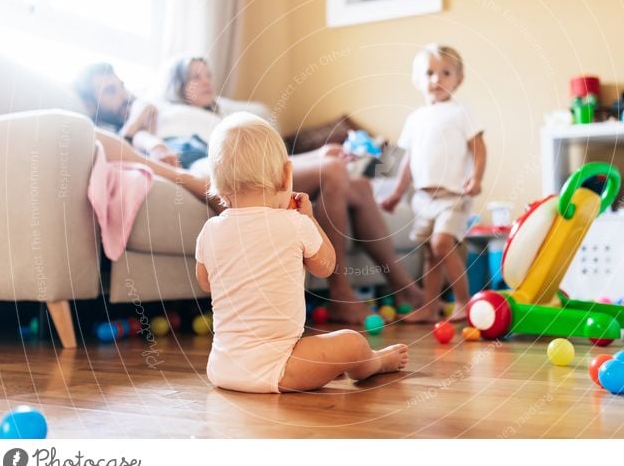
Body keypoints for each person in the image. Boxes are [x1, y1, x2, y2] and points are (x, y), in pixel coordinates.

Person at [156, 55, 425, 324]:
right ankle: (340, 295)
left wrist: (320, 152)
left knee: (361, 185)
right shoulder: (169, 115)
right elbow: (168, 153)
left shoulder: (221, 112)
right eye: (195, 77)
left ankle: (404, 290)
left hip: (259, 161)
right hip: (231, 171)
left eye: (207, 75)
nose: (205, 82)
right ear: (177, 85)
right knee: (332, 168)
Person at [194, 112, 408, 393]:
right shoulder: (294, 223)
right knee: (352, 342)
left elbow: (206, 283)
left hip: (221, 368)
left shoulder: (210, 230)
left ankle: (322, 368)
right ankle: (372, 363)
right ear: (287, 176)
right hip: (277, 369)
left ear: (216, 184)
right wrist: (310, 219)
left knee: (319, 351)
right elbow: (327, 266)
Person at [380, 44, 487, 322]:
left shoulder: (460, 112)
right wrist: (396, 193)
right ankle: (430, 306)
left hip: (453, 196)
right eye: (429, 73)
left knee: (442, 244)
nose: (436, 80)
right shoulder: (415, 119)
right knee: (430, 253)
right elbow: (407, 162)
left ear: (458, 80)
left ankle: (464, 301)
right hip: (422, 199)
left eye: (445, 73)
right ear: (417, 80)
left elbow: (479, 147)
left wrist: (476, 178)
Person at [72, 63, 212, 204]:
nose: (123, 94)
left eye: (121, 86)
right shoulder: (100, 131)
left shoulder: (138, 109)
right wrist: (135, 123)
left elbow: (146, 124)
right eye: (110, 91)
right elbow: (120, 150)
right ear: (90, 104)